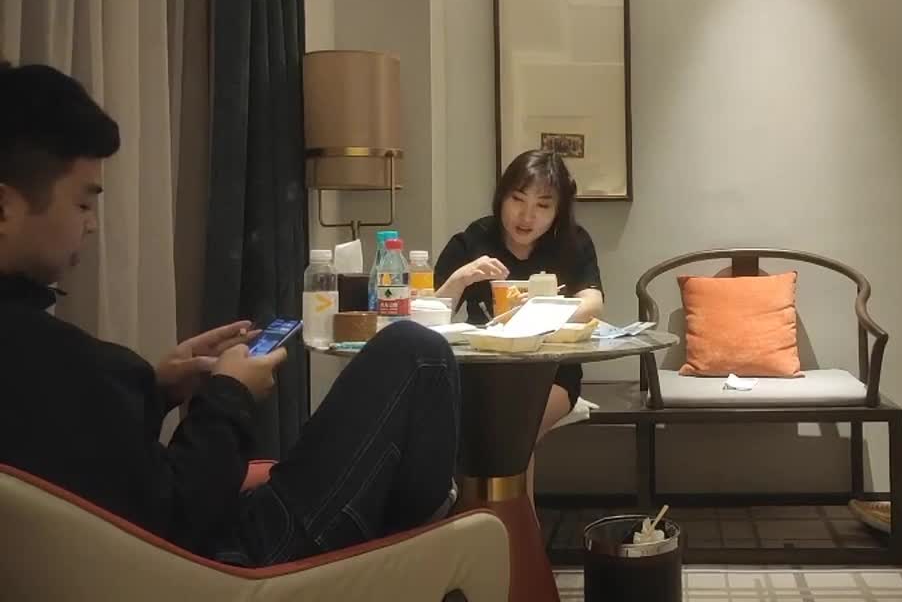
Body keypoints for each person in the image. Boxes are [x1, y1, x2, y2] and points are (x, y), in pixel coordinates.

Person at [0, 61, 460, 566]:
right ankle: (418, 569)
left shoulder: (38, 354)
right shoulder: (38, 353)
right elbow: (178, 513)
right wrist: (229, 396)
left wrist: (156, 390)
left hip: (178, 549)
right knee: (418, 353)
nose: (90, 226)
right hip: (222, 569)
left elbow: (89, 457)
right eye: (83, 205)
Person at [434, 150, 603, 496]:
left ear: (558, 211)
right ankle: (504, 524)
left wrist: (545, 309)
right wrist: (461, 278)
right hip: (481, 375)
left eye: (543, 205)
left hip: (552, 375)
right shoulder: (475, 239)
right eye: (517, 199)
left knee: (510, 433)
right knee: (488, 438)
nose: (527, 216)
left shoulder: (572, 242)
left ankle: (493, 522)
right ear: (501, 197)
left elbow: (593, 303)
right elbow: (431, 314)